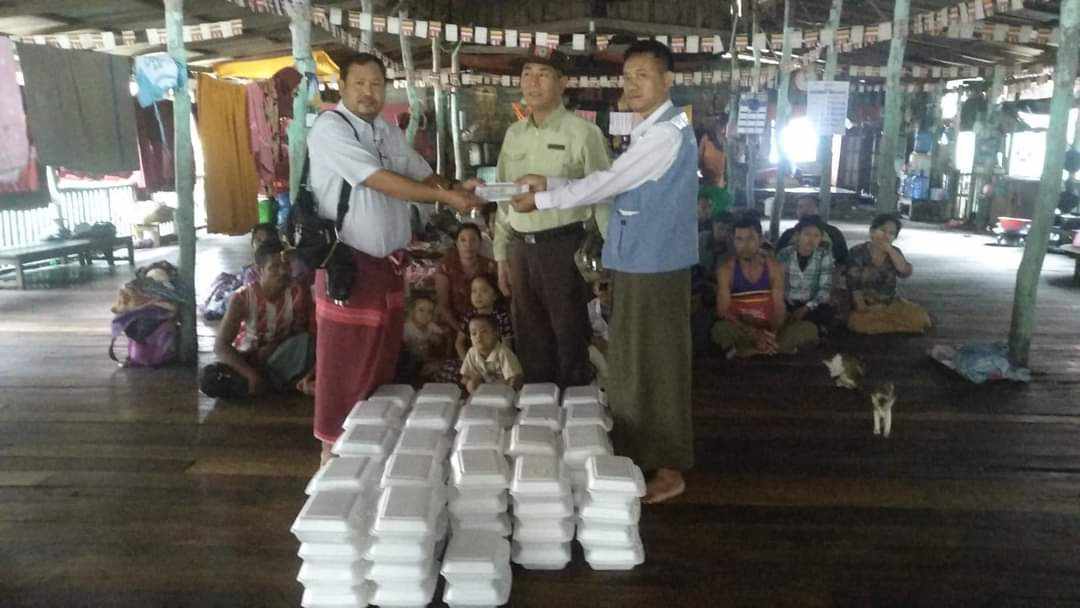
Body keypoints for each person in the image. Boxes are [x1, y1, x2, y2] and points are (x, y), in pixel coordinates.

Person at [510, 41, 696, 504]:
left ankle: (669, 466)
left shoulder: (665, 135)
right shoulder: (652, 130)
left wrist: (545, 197)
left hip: (654, 265)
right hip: (642, 261)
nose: (632, 85)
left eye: (643, 76)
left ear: (667, 81)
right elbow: (618, 180)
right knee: (635, 360)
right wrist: (551, 183)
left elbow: (609, 182)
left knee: (656, 363)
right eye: (627, 76)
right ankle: (642, 451)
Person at [306, 53, 483, 462]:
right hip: (347, 264)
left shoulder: (385, 130)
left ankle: (371, 442)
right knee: (344, 359)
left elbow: (419, 172)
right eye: (359, 84)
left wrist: (455, 188)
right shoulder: (331, 129)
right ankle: (332, 452)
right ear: (342, 87)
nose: (368, 92)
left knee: (381, 356)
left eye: (376, 84)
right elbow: (379, 180)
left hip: (388, 264)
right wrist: (445, 198)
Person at [493, 46, 612, 388]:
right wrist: (501, 254)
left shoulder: (583, 133)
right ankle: (538, 411)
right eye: (527, 74)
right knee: (529, 339)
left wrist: (611, 258)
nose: (533, 82)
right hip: (520, 250)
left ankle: (575, 411)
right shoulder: (514, 134)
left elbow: (603, 194)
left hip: (564, 248)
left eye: (543, 74)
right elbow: (503, 197)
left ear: (563, 83)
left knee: (570, 338)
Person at [201, 241, 314, 398]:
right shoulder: (242, 298)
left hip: (280, 356)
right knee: (208, 378)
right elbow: (221, 345)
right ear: (259, 270)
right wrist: (250, 374)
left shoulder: (298, 292)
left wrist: (275, 345)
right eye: (274, 267)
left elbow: (302, 333)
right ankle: (270, 384)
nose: (283, 271)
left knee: (306, 342)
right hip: (247, 359)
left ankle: (264, 386)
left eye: (286, 265)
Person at [712, 216, 818, 357]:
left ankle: (750, 351)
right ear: (733, 241)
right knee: (720, 329)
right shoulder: (726, 270)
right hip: (743, 328)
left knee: (809, 329)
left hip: (770, 327)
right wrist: (754, 334)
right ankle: (774, 351)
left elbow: (779, 308)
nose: (745, 245)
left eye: (750, 239)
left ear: (761, 240)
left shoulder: (774, 267)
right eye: (739, 239)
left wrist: (771, 334)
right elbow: (723, 311)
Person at [846, 214, 931, 334]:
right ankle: (893, 326)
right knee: (859, 323)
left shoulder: (895, 252)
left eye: (891, 233)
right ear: (872, 232)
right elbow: (853, 285)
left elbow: (904, 271)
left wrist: (890, 250)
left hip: (888, 303)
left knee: (920, 318)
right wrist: (863, 307)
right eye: (882, 230)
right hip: (863, 304)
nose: (886, 236)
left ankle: (889, 325)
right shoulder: (857, 252)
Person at [776, 216, 836, 329]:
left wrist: (806, 308)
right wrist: (783, 305)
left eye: (816, 236)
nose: (811, 240)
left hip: (812, 305)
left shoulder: (824, 255)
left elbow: (825, 288)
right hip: (788, 302)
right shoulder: (785, 254)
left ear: (821, 238)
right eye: (807, 234)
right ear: (798, 235)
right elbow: (778, 284)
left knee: (826, 314)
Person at [433, 224, 497, 328]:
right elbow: (443, 305)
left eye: (473, 240)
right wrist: (460, 330)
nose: (468, 245)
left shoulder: (490, 266)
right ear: (457, 243)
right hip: (453, 323)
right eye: (463, 240)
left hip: (485, 324)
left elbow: (499, 299)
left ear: (480, 243)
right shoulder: (445, 267)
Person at [775, 196, 849, 267]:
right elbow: (776, 258)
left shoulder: (833, 232)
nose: (804, 210)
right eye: (800, 207)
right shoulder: (788, 234)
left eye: (809, 205)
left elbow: (843, 261)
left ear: (818, 210)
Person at [460, 314, 524, 394]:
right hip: (483, 390)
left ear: (496, 333)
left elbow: (515, 379)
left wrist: (508, 384)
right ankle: (477, 398)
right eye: (474, 333)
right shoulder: (472, 352)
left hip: (503, 390)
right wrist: (471, 382)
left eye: (484, 332)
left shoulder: (503, 352)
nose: (478, 337)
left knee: (509, 383)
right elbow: (465, 377)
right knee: (471, 383)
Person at [587, 278, 612, 388]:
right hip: (601, 352)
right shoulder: (589, 309)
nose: (604, 291)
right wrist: (594, 339)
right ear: (594, 290)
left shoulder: (625, 307)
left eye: (606, 287)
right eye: (601, 287)